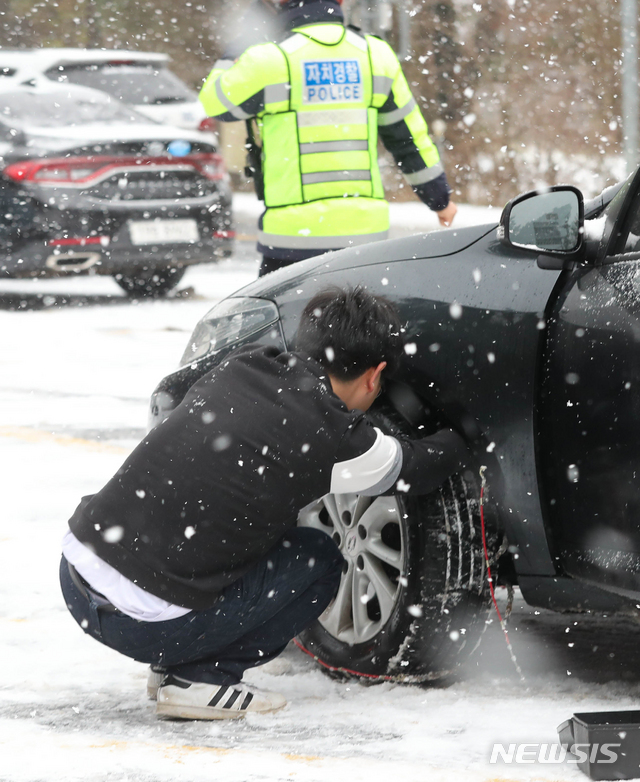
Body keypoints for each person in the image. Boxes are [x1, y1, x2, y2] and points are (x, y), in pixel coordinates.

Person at [59, 285, 470, 721]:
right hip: (144, 624)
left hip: (77, 578)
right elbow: (415, 466)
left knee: (242, 522)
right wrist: (464, 434)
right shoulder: (333, 433)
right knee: (318, 561)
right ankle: (201, 678)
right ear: (375, 376)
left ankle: (174, 663)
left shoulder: (242, 365)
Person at [200, 0, 458, 277]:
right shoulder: (375, 55)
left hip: (291, 241)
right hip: (364, 240)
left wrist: (241, 43)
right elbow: (408, 139)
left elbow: (214, 101)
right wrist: (439, 199)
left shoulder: (271, 60)